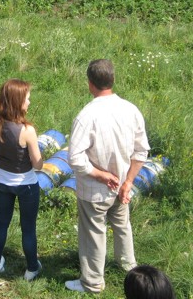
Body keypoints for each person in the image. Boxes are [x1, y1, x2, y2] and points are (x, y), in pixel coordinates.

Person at [65, 59, 150, 293]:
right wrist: (129, 182)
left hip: (94, 190)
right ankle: (129, 267)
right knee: (122, 225)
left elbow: (75, 158)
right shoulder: (130, 109)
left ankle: (92, 283)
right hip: (122, 185)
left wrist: (100, 175)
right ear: (112, 80)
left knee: (93, 232)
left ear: (90, 84)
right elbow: (141, 150)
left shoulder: (86, 116)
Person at [0, 78, 43, 281]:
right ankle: (32, 268)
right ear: (17, 101)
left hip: (2, 183)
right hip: (26, 185)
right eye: (27, 98)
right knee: (28, 227)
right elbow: (37, 164)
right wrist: (39, 157)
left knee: (1, 222)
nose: (29, 102)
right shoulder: (26, 130)